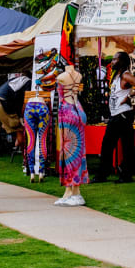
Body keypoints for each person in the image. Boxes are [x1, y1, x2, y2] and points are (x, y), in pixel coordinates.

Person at [94, 51, 135, 183]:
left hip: (122, 114)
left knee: (121, 145)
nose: (112, 62)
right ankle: (110, 173)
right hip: (117, 114)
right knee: (111, 145)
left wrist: (129, 96)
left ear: (122, 61)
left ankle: (122, 175)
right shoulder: (117, 75)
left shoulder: (126, 75)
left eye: (114, 59)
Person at [53, 65, 89, 206]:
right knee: (77, 152)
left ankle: (74, 191)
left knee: (69, 153)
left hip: (68, 112)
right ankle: (71, 191)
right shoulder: (78, 75)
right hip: (78, 110)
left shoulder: (61, 77)